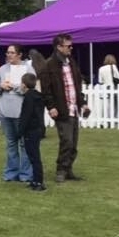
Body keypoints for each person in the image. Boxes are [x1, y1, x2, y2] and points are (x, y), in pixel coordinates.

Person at [38, 33, 89, 183]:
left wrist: (83, 103)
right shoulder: (49, 65)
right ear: (59, 47)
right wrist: (51, 107)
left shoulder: (71, 62)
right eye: (68, 46)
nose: (71, 48)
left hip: (73, 108)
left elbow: (77, 86)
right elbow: (46, 89)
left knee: (73, 143)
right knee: (66, 140)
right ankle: (61, 169)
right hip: (61, 109)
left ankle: (68, 169)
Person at [0, 44, 35, 183]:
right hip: (5, 112)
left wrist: (14, 87)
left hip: (21, 112)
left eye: (12, 53)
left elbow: (30, 88)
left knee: (24, 144)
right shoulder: (3, 69)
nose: (9, 55)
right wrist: (1, 86)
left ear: (19, 54)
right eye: (7, 52)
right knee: (11, 143)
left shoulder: (27, 68)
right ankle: (11, 173)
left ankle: (26, 174)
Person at [18, 73, 47, 192]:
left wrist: (20, 131)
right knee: (33, 156)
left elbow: (26, 115)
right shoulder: (38, 96)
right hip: (38, 128)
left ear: (24, 84)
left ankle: (38, 182)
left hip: (31, 130)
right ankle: (35, 180)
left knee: (34, 157)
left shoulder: (28, 98)